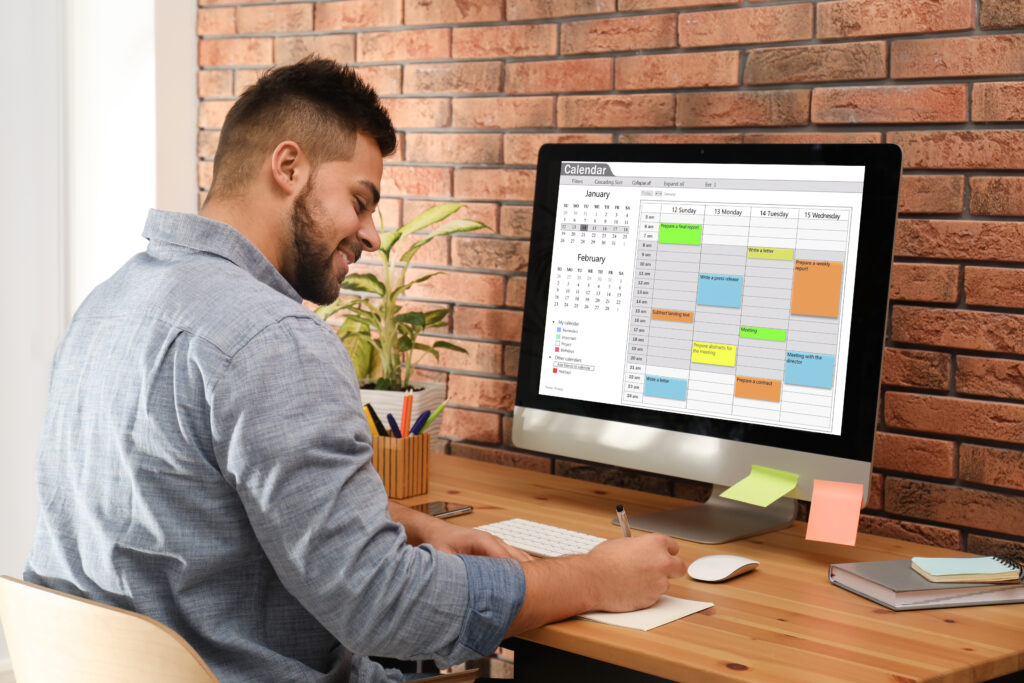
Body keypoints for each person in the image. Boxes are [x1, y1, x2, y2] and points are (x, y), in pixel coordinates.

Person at [24, 57, 686, 682]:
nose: (372, 233)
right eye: (362, 200)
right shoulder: (273, 338)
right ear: (288, 166)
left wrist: (410, 524)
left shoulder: (107, 304)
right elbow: (382, 602)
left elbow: (212, 503)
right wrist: (594, 577)